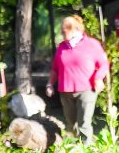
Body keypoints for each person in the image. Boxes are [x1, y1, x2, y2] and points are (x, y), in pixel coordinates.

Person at [46, 15, 109, 144]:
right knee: (71, 123)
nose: (62, 34)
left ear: (74, 29)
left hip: (86, 89)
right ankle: (77, 147)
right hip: (66, 90)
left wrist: (98, 79)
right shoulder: (62, 47)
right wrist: (50, 84)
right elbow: (55, 69)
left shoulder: (91, 44)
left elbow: (104, 64)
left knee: (84, 122)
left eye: (64, 32)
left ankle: (86, 151)